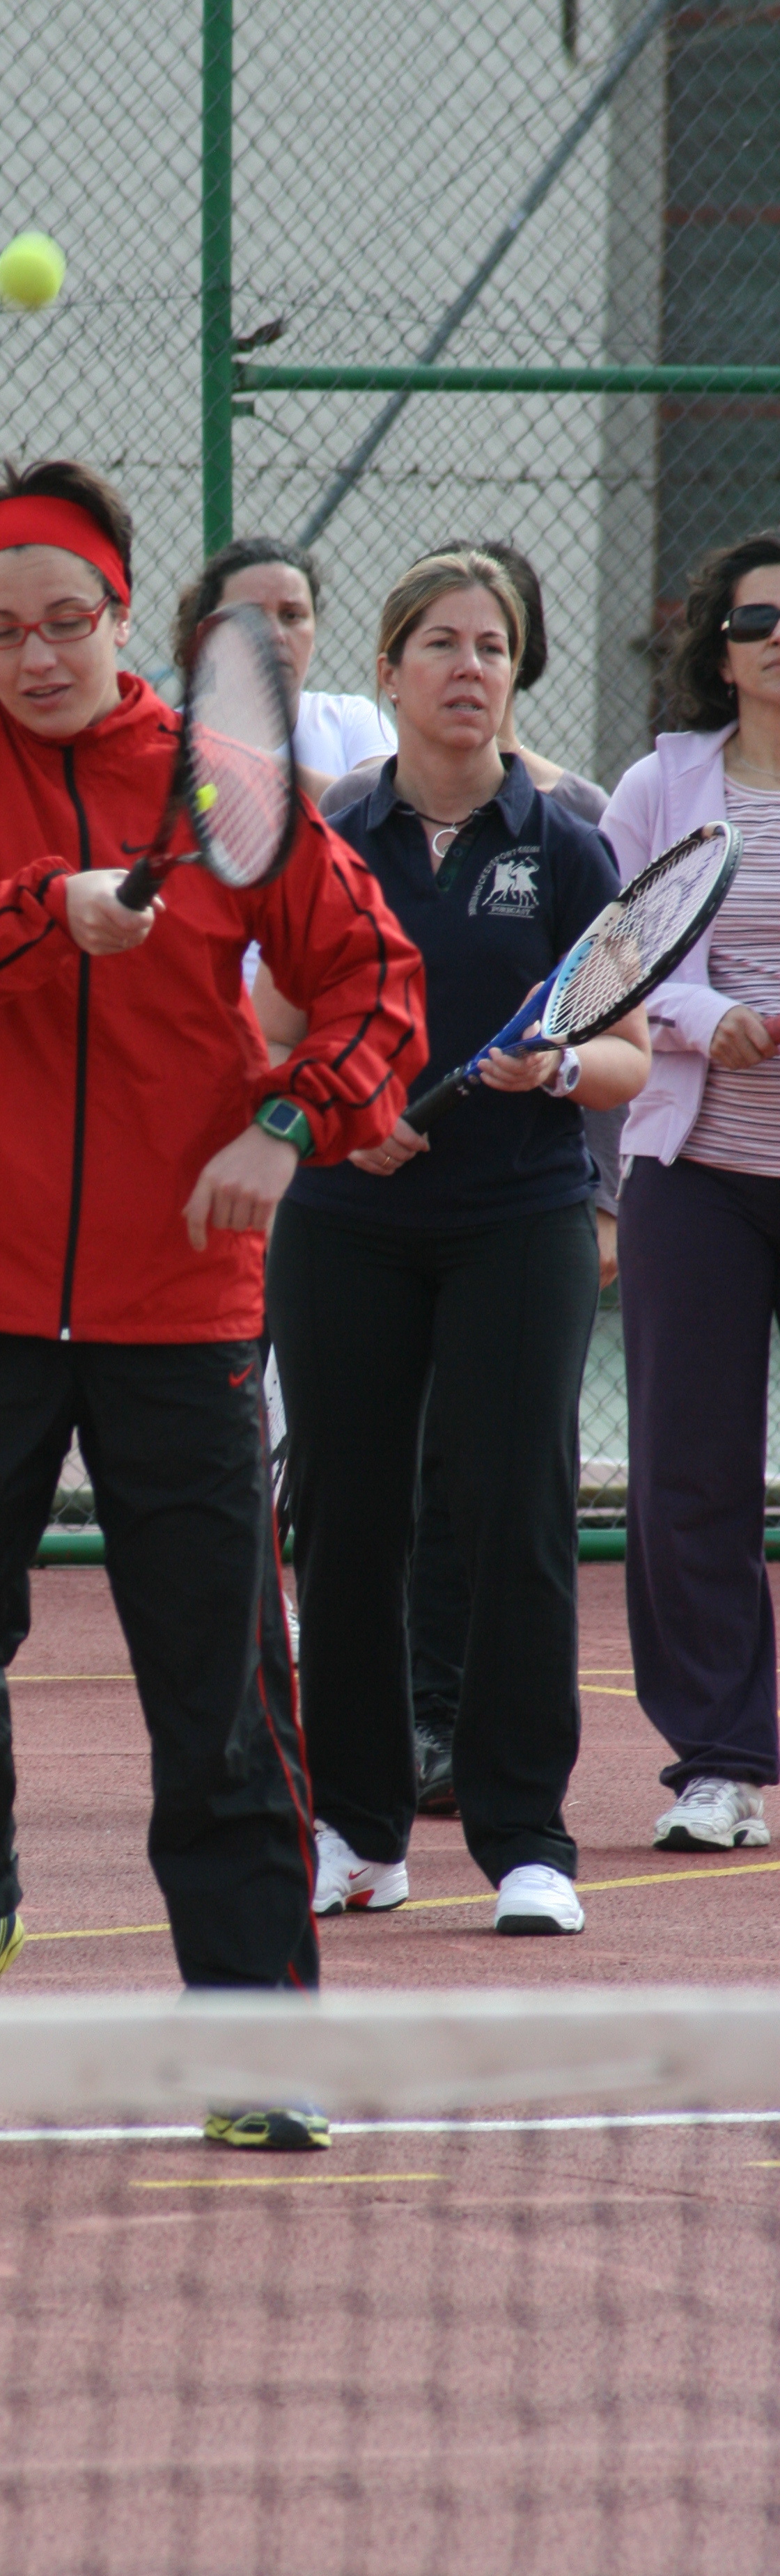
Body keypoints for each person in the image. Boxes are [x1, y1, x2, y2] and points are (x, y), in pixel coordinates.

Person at [0, 455, 425, 2148]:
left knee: (218, 1691)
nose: (33, 656)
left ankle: (252, 2029)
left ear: (119, 613)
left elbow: (377, 980)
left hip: (181, 1303)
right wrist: (48, 912)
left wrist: (291, 1125)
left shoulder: (229, 785)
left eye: (64, 621)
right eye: (0, 628)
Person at [264, 549, 649, 1937]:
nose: (470, 667)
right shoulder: (329, 837)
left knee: (514, 1516)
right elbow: (268, 1032)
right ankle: (358, 1833)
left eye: (493, 646)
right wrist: (335, 1113)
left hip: (518, 1222)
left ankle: (527, 1839)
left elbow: (628, 1053)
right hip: (344, 1222)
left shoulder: (568, 844)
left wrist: (558, 1067)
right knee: (347, 1520)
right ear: (388, 670)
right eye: (441, 642)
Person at [604, 528, 780, 1853]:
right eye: (757, 619)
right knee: (689, 1476)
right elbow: (608, 961)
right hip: (697, 1179)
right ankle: (721, 1760)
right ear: (718, 650)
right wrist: (705, 1015)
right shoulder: (659, 787)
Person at [171, 535, 394, 797]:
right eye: (251, 616)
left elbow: (386, 808)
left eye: (291, 616)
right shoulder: (167, 737)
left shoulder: (353, 720)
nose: (276, 635)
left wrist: (255, 767)